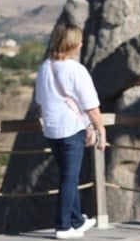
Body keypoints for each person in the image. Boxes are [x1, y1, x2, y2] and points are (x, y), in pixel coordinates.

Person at [35, 23, 105, 240]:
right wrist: (100, 129)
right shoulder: (75, 70)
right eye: (80, 40)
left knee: (67, 176)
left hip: (52, 129)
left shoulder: (45, 67)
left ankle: (77, 220)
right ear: (72, 43)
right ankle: (63, 226)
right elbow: (91, 106)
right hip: (71, 129)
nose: (82, 44)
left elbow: (40, 102)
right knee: (69, 178)